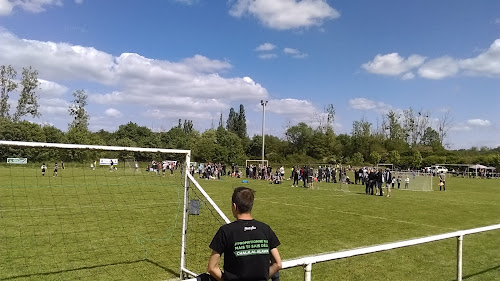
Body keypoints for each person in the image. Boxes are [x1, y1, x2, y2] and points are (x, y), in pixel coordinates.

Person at [207, 187, 282, 281]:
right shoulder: (265, 229)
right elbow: (278, 264)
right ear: (251, 206)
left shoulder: (226, 231)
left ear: (235, 206)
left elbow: (212, 267)